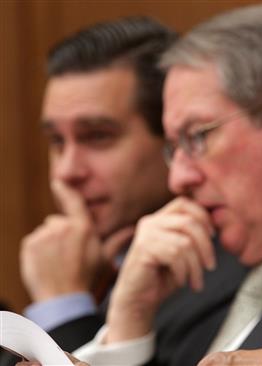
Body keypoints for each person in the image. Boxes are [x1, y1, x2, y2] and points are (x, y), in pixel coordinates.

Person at [73, 4, 262, 366]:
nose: (178, 179)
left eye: (197, 138)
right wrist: (129, 323)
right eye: (173, 149)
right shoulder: (201, 270)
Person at [11, 16, 175, 360]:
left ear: (172, 139)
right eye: (57, 140)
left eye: (98, 136)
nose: (67, 171)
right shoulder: (93, 264)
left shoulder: (216, 271)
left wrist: (64, 304)